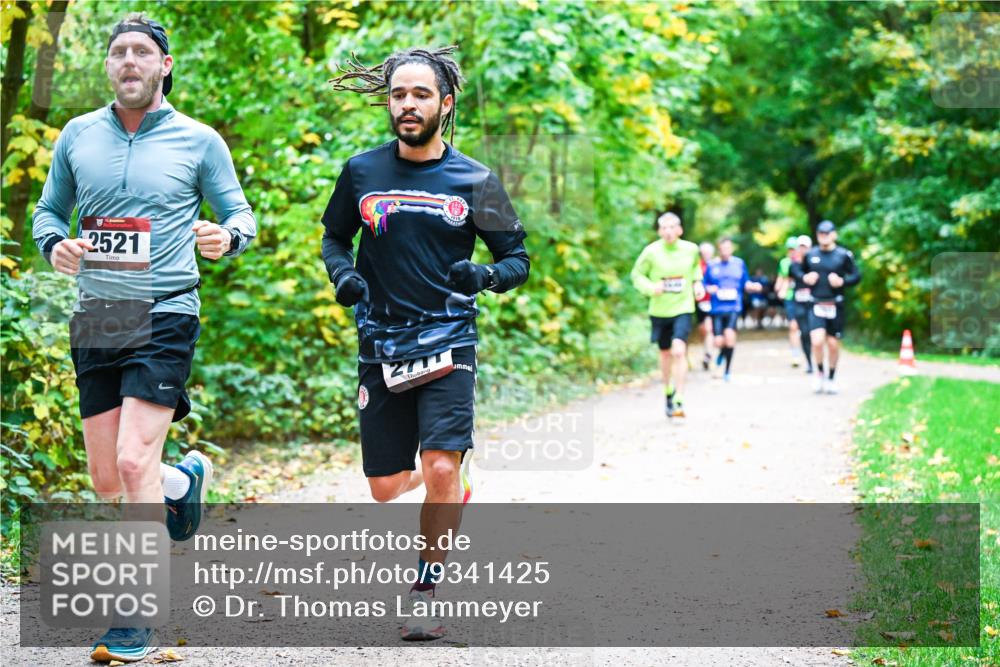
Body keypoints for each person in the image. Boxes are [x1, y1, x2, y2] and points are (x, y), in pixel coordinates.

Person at [31, 13, 256, 662]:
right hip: (99, 312)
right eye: (119, 51)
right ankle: (182, 483)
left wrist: (226, 236)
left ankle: (134, 616)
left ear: (165, 65)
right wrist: (54, 242)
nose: (129, 60)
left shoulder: (198, 140)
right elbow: (49, 209)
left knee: (133, 461)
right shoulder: (78, 136)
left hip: (166, 309)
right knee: (108, 478)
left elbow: (240, 212)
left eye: (142, 52)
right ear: (108, 66)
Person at [323, 46, 530, 640]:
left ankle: (424, 590)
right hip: (380, 342)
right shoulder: (361, 172)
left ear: (445, 102)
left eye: (419, 94)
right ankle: (449, 478)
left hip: (449, 340)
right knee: (386, 489)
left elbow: (516, 259)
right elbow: (335, 239)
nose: (407, 104)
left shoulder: (475, 180)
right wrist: (344, 275)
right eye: (398, 94)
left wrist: (484, 276)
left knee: (438, 462)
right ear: (388, 102)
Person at [630, 212, 704, 419]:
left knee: (679, 351)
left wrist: (698, 285)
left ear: (680, 230)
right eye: (664, 228)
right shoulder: (651, 252)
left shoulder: (691, 249)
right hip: (660, 310)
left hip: (683, 307)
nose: (669, 232)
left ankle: (679, 397)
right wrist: (651, 288)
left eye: (673, 227)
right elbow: (636, 275)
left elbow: (696, 271)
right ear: (659, 231)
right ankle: (668, 390)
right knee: (665, 354)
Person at [797, 220, 861, 394]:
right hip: (816, 302)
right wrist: (806, 278)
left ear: (834, 234)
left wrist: (842, 281)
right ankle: (819, 373)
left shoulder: (843, 255)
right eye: (820, 233)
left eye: (827, 233)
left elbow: (856, 276)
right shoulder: (810, 254)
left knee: (833, 344)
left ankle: (831, 378)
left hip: (835, 304)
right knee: (817, 341)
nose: (823, 237)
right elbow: (799, 272)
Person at [702, 237, 762, 382]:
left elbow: (745, 282)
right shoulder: (712, 265)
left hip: (734, 307)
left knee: (730, 337)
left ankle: (726, 370)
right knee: (718, 341)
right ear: (719, 249)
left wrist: (752, 286)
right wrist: (709, 288)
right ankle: (720, 358)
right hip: (717, 308)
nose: (725, 251)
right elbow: (704, 284)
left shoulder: (739, 264)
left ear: (732, 249)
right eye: (722, 248)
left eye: (728, 248)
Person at [776, 237, 803, 367]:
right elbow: (781, 278)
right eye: (790, 249)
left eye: (794, 249)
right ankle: (795, 354)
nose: (792, 251)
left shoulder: (804, 261)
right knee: (793, 326)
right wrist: (779, 288)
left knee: (804, 327)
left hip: (803, 297)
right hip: (790, 297)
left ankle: (807, 351)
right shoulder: (784, 262)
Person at [696, 242, 715, 370]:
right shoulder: (697, 266)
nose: (706, 255)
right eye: (704, 252)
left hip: (714, 303)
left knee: (709, 329)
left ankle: (708, 355)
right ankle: (706, 351)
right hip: (699, 302)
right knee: (703, 330)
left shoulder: (716, 266)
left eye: (708, 252)